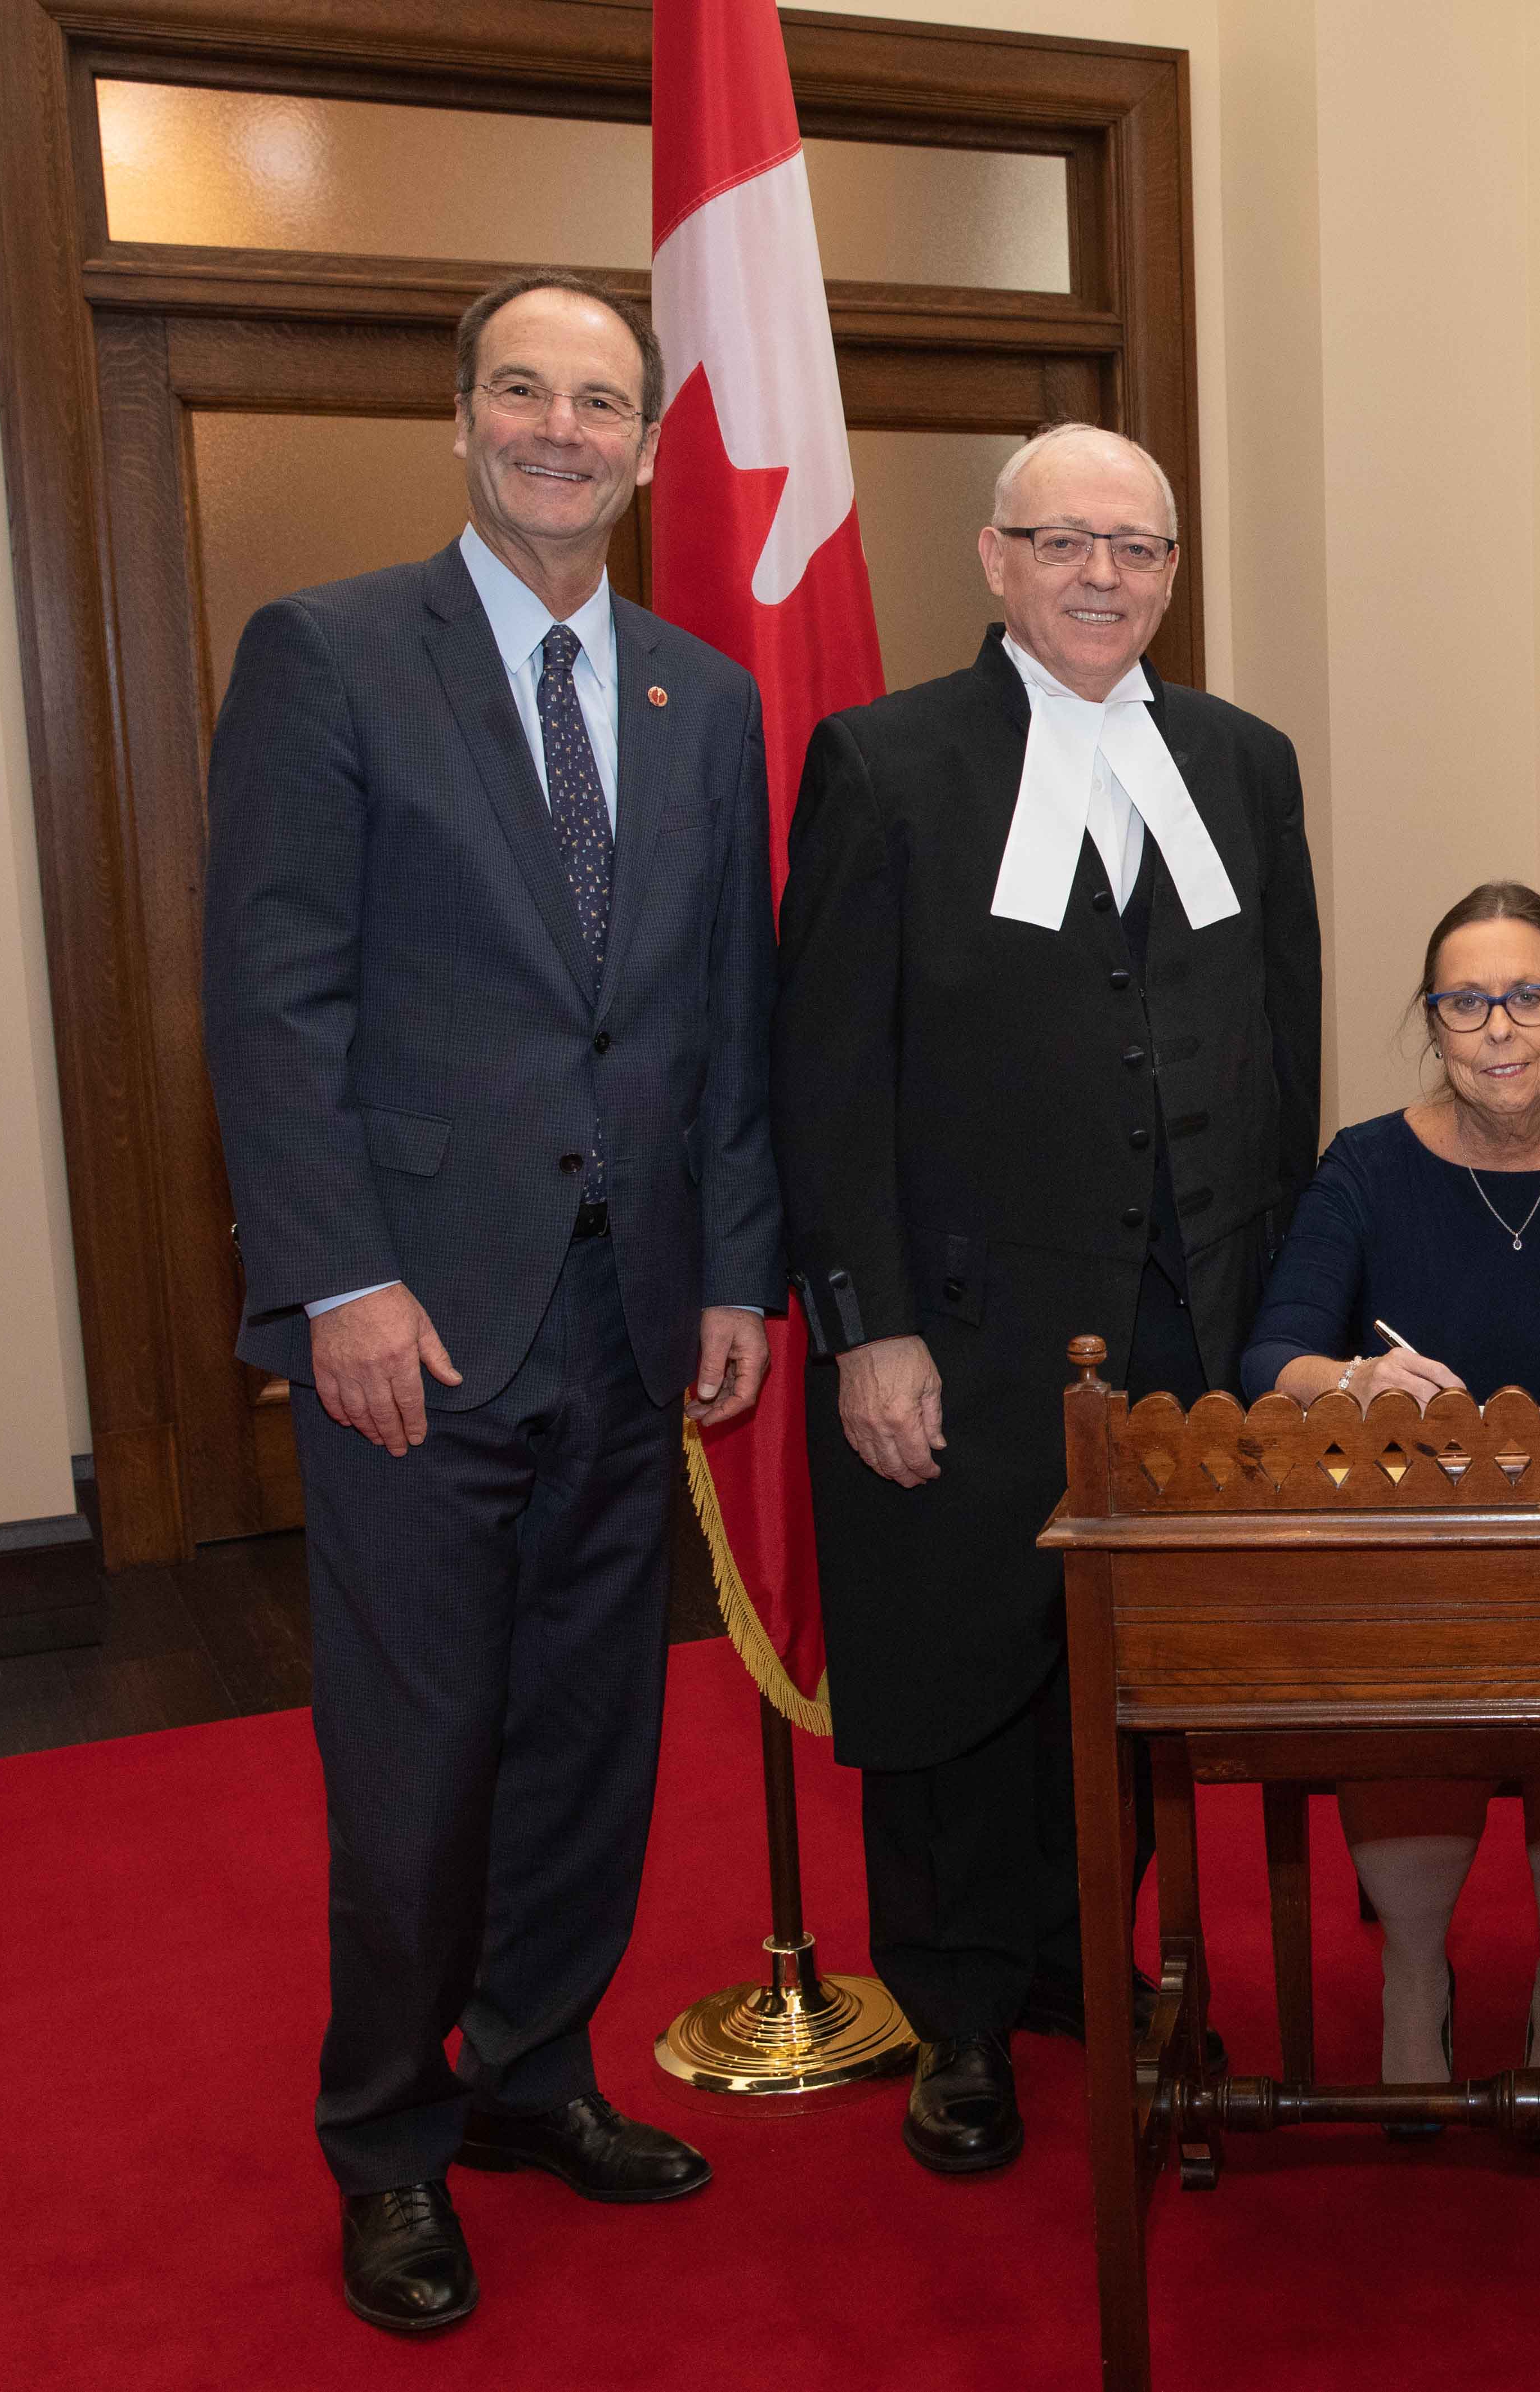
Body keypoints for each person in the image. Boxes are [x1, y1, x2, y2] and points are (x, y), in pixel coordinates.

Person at [201, 270, 779, 2333]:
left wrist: (733, 1273)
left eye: (599, 401)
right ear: (460, 418)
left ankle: (535, 2074)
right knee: (420, 1757)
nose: (561, 428)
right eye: (522, 392)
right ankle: (387, 2138)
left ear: (643, 444)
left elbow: (716, 1019)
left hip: (632, 1322)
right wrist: (336, 1275)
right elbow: (272, 1007)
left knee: (588, 1744)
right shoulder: (335, 655)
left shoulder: (699, 699)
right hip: (413, 1334)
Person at [775, 423, 1322, 2179]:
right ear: (995, 560)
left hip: (1178, 1329)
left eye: (1138, 548)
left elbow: (1283, 1045)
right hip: (958, 1331)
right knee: (960, 1686)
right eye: (1064, 541)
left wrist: (1274, 1315)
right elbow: (827, 1077)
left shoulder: (1242, 763)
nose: (1102, 576)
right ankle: (957, 2016)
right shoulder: (884, 763)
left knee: (1127, 1679)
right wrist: (864, 1324)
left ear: (1173, 571)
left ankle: (1091, 1958)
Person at [1241, 883, 1540, 2102]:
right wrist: (1352, 1381)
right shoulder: (1363, 1166)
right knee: (1404, 1696)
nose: (1499, 1027)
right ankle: (1416, 1974)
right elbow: (1269, 1360)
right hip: (1416, 1562)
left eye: (1528, 996)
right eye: (1466, 1001)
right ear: (1433, 1018)